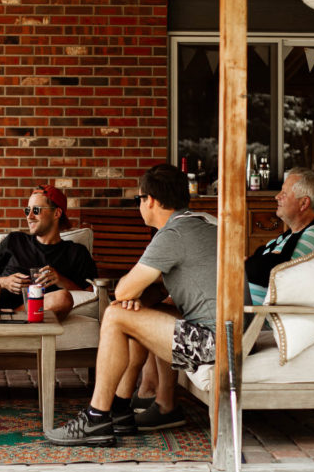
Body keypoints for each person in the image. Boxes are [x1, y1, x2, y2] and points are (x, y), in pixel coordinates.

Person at [46, 164, 218, 446]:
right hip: (225, 332)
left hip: (213, 344)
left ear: (149, 199)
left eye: (138, 199)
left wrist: (131, 297)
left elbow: (123, 291)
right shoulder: (202, 222)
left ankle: (97, 416)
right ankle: (121, 411)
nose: (139, 206)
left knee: (115, 315)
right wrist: (139, 300)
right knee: (131, 312)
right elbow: (161, 288)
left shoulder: (173, 233)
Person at [0, 184, 97, 408]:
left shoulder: (75, 253)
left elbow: (91, 293)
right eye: (27, 210)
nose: (29, 216)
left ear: (57, 212)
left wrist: (60, 279)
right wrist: (5, 281)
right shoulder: (15, 241)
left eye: (36, 210)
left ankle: (5, 320)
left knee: (63, 298)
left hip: (26, 312)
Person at [245, 167, 314, 307]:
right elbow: (261, 264)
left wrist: (243, 265)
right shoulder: (293, 235)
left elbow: (276, 273)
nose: (277, 196)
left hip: (252, 318)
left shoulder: (312, 237)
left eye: (284, 193)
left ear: (303, 203)